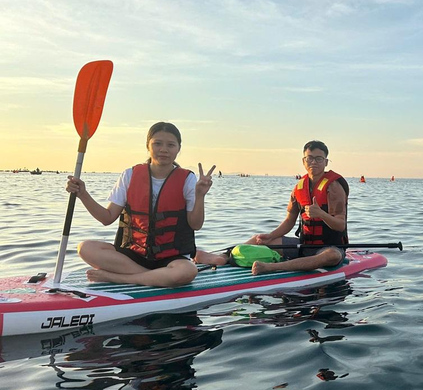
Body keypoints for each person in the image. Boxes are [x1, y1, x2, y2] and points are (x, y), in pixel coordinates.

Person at [65, 122, 215, 287]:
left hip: (170, 259)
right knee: (85, 248)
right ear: (148, 146)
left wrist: (200, 195)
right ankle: (155, 277)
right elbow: (107, 218)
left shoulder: (188, 179)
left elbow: (196, 224)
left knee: (188, 271)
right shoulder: (130, 175)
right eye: (157, 143)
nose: (164, 149)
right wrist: (83, 194)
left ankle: (121, 278)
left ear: (178, 148)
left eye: (170, 145)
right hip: (133, 255)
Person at [195, 140, 348, 275]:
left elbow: (340, 225)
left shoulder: (333, 187)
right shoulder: (299, 187)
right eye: (310, 158)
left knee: (331, 256)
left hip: (330, 247)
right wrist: (270, 235)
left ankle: (272, 267)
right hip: (304, 245)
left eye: (319, 159)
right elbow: (289, 221)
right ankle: (223, 257)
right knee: (259, 238)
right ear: (303, 161)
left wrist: (321, 214)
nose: (314, 162)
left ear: (326, 162)